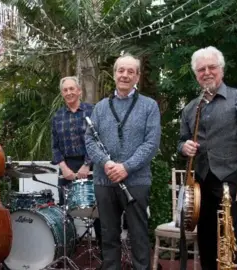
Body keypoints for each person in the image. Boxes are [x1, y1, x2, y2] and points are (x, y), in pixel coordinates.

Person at [178, 46, 237, 269]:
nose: (207, 72)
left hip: (232, 181)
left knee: (233, 242)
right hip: (201, 185)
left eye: (211, 67)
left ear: (221, 70)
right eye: (201, 69)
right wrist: (184, 147)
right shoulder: (190, 108)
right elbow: (182, 141)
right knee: (206, 241)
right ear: (196, 75)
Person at [85, 54, 161, 270]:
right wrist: (106, 163)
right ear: (115, 74)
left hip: (136, 181)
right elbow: (89, 140)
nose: (125, 75)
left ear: (137, 76)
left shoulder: (149, 106)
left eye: (130, 71)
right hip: (104, 179)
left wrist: (126, 167)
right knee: (108, 235)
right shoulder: (100, 107)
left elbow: (151, 143)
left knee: (138, 235)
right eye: (121, 70)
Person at [50, 76, 102, 252]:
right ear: (62, 93)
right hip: (67, 165)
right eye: (65, 90)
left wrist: (87, 165)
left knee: (98, 212)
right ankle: (67, 252)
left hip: (91, 164)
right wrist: (64, 168)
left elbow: (97, 139)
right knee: (65, 212)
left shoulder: (92, 111)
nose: (69, 92)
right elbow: (55, 146)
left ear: (79, 91)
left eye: (72, 89)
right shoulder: (57, 117)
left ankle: (104, 254)